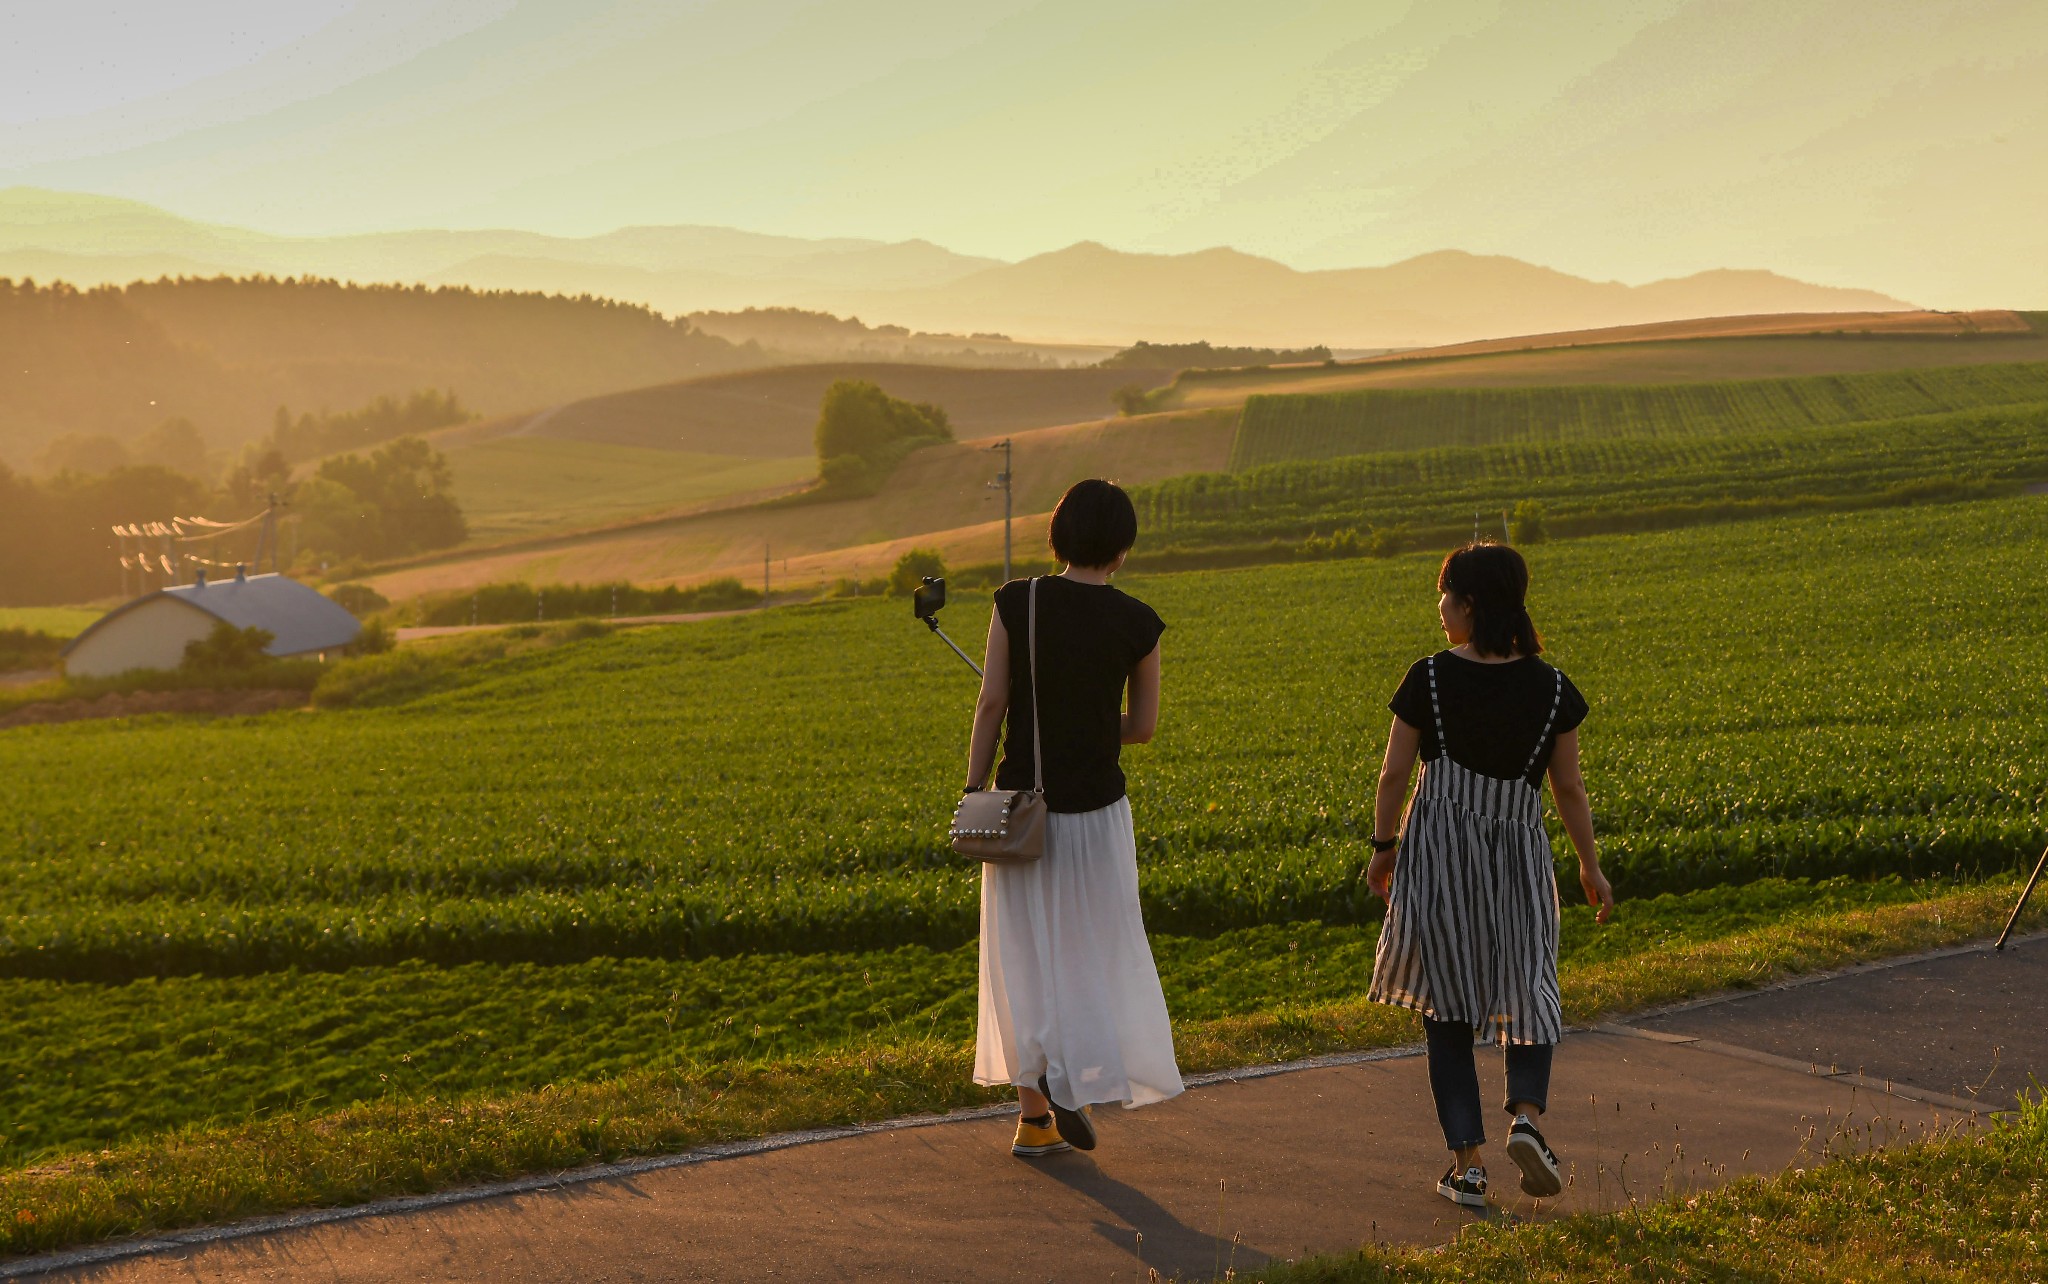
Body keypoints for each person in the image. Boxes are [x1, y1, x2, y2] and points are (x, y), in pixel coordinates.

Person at [1365, 541, 1614, 1208]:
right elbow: (1569, 791)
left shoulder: (1430, 678)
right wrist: (1590, 867)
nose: (1440, 610)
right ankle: (1527, 1118)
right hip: (1518, 853)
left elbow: (1393, 775)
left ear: (1470, 604)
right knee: (1530, 985)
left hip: (1441, 851)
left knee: (1445, 1006)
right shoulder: (1554, 688)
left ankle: (1468, 1166)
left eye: (1445, 597)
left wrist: (1383, 846)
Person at [964, 478, 1184, 1157]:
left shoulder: (1017, 601)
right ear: (1122, 550)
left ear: (1058, 537)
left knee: (1023, 953)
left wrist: (973, 785)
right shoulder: (1139, 622)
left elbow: (992, 704)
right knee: (1092, 949)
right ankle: (1072, 1080)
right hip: (1097, 816)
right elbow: (1142, 728)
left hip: (1024, 808)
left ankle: (1035, 1117)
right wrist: (1088, 721)